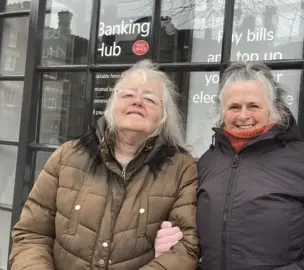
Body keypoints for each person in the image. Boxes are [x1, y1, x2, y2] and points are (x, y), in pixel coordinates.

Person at [9, 60, 200, 269]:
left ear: (163, 116)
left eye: (149, 99)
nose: (137, 102)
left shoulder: (182, 169)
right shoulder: (68, 157)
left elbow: (185, 248)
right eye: (127, 95)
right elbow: (31, 234)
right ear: (111, 107)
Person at [156, 61, 304, 269]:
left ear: (273, 109)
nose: (243, 115)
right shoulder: (207, 162)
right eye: (234, 107)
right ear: (222, 113)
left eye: (254, 106)